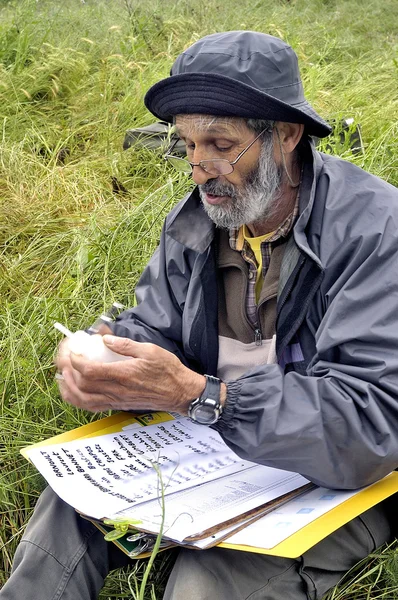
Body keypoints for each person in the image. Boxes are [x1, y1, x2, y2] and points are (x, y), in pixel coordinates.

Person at [1, 30, 398, 600]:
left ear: (287, 135)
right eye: (187, 144)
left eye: (219, 143)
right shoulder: (199, 222)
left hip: (338, 475)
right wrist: (109, 352)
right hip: (214, 452)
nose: (199, 168)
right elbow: (156, 328)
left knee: (203, 582)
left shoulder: (376, 230)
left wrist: (204, 398)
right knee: (67, 510)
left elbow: (371, 423)